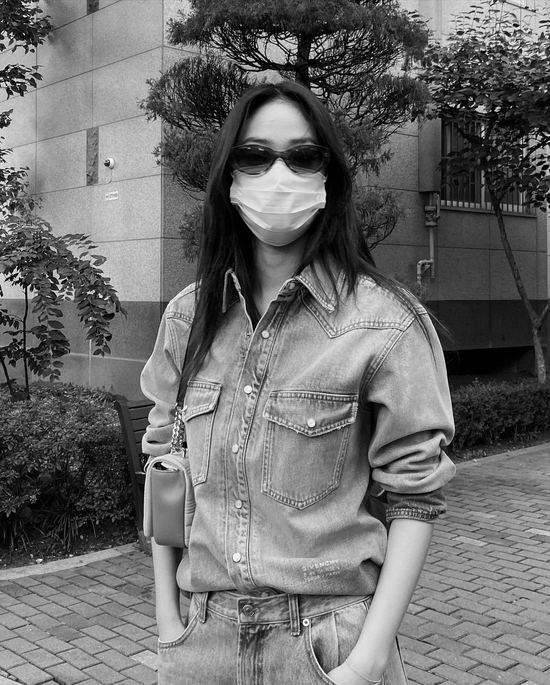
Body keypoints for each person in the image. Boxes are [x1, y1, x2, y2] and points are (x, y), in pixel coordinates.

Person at [140, 80, 456, 685]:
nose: (278, 175)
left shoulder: (385, 322)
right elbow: (164, 467)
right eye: (255, 156)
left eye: (302, 156)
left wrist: (366, 661)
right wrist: (167, 621)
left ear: (328, 174)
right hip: (200, 640)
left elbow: (416, 495)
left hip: (328, 644)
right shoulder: (188, 318)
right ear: (229, 177)